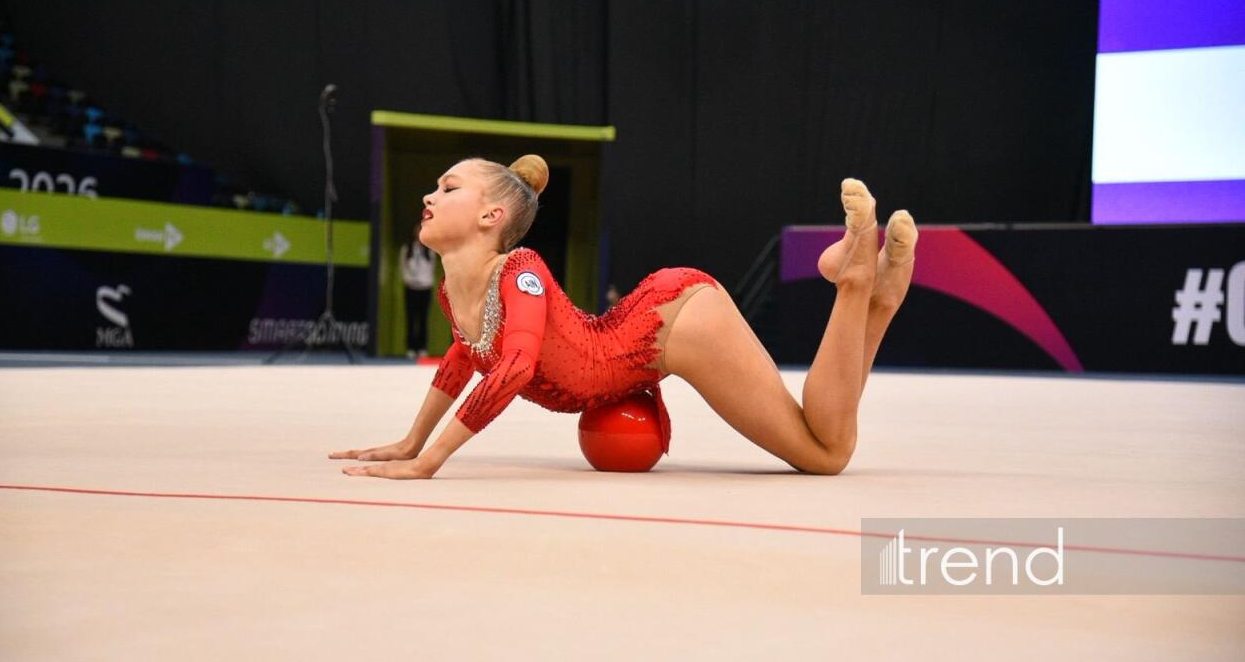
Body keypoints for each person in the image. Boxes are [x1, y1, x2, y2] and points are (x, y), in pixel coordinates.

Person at [329, 154, 917, 479]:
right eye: (434, 186)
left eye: (448, 187)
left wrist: (430, 463)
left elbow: (512, 366)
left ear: (492, 216)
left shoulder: (521, 270)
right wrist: (410, 442)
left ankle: (852, 282)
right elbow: (464, 358)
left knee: (826, 455)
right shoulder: (452, 292)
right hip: (655, 320)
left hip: (669, 326)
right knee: (826, 442)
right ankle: (880, 297)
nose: (429, 196)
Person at [398, 221, 437, 358]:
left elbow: (431, 269)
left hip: (425, 287)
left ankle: (422, 347)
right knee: (411, 318)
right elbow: (403, 268)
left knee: (423, 319)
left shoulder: (429, 251)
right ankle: (410, 347)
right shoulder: (407, 249)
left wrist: (426, 282)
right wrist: (409, 281)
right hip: (411, 287)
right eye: (417, 231)